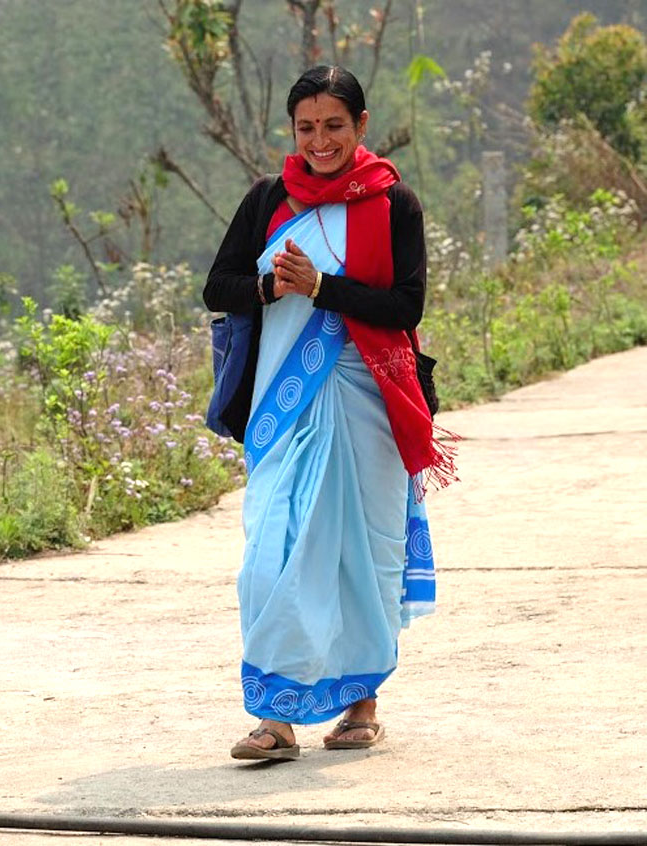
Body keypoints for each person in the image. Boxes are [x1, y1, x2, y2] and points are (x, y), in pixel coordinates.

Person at [203, 66, 452, 761]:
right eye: (307, 128)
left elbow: (406, 307)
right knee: (272, 555)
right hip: (284, 407)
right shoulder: (269, 201)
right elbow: (215, 287)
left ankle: (360, 707)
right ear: (293, 131)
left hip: (368, 401)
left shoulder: (392, 203)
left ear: (361, 125)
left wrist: (323, 289)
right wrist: (265, 285)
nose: (320, 141)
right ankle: (275, 719)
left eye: (334, 126)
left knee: (360, 556)